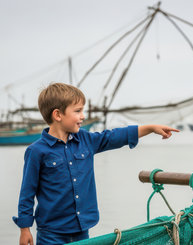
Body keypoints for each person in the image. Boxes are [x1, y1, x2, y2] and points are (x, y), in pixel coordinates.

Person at [12, 82, 179, 245]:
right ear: (58, 115)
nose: (83, 116)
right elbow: (27, 192)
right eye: (77, 111)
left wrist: (149, 128)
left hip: (82, 229)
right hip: (51, 234)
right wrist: (24, 229)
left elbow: (114, 136)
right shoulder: (36, 151)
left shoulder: (86, 140)